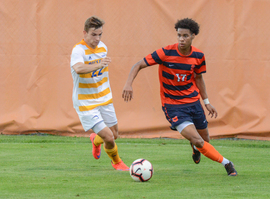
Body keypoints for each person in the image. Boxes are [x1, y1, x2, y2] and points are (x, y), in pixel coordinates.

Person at [122, 18, 237, 176]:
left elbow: (198, 79)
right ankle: (227, 164)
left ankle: (195, 148)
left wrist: (207, 102)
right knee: (198, 140)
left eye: (185, 36)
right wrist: (128, 84)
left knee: (205, 141)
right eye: (179, 35)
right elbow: (139, 64)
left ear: (193, 36)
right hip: (173, 106)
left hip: (194, 102)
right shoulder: (165, 53)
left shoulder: (198, 56)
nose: (181, 39)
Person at [70, 16, 129, 171]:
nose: (97, 38)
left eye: (100, 34)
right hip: (86, 102)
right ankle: (117, 162)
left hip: (104, 98)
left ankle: (95, 140)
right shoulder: (78, 50)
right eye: (93, 35)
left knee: (114, 134)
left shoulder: (103, 47)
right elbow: (78, 69)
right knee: (108, 137)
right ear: (84, 33)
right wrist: (98, 65)